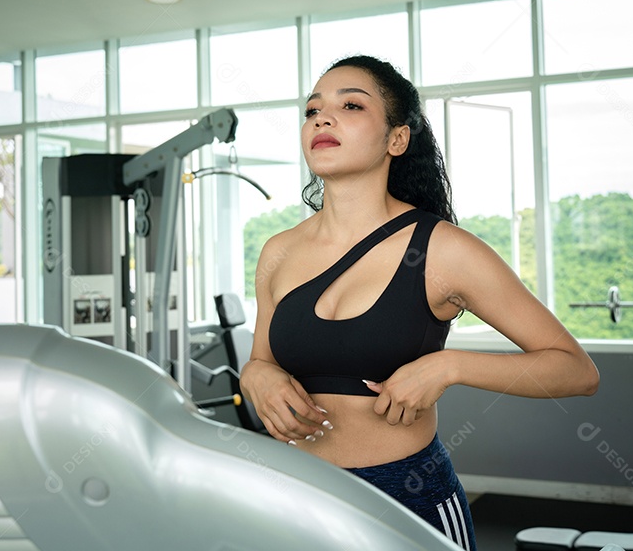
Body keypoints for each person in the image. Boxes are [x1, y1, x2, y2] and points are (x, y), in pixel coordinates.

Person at [239, 55, 599, 551]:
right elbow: (261, 361)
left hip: (406, 498)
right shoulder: (277, 251)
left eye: (350, 105)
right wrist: (256, 376)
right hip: (296, 493)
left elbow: (576, 371)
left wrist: (447, 366)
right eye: (312, 110)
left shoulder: (444, 249)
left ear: (397, 139)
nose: (322, 118)